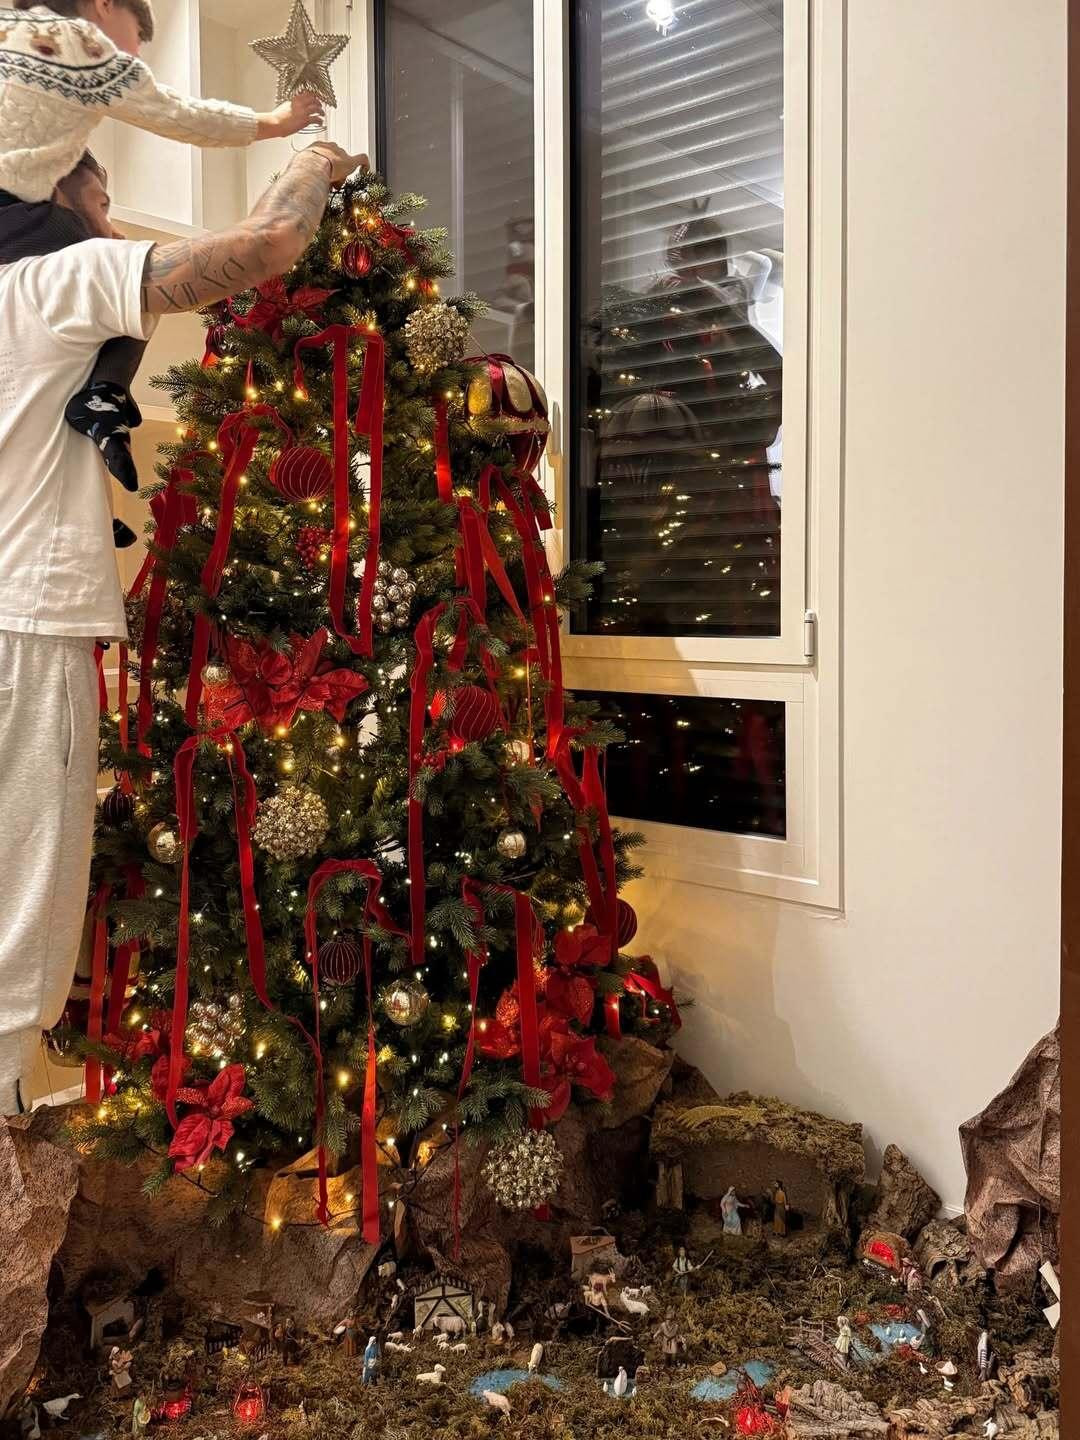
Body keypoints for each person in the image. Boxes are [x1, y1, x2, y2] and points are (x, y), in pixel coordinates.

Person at [0, 136, 366, 1114]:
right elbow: (269, 243)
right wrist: (313, 160)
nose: (111, 214)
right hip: (22, 631)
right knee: (21, 927)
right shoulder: (48, 282)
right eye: (98, 192)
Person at [1, 0, 323, 506]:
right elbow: (181, 116)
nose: (132, 59)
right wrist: (278, 124)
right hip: (17, 218)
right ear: (103, 6)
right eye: (133, 43)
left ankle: (104, 397)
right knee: (127, 275)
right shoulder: (81, 46)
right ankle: (106, 393)